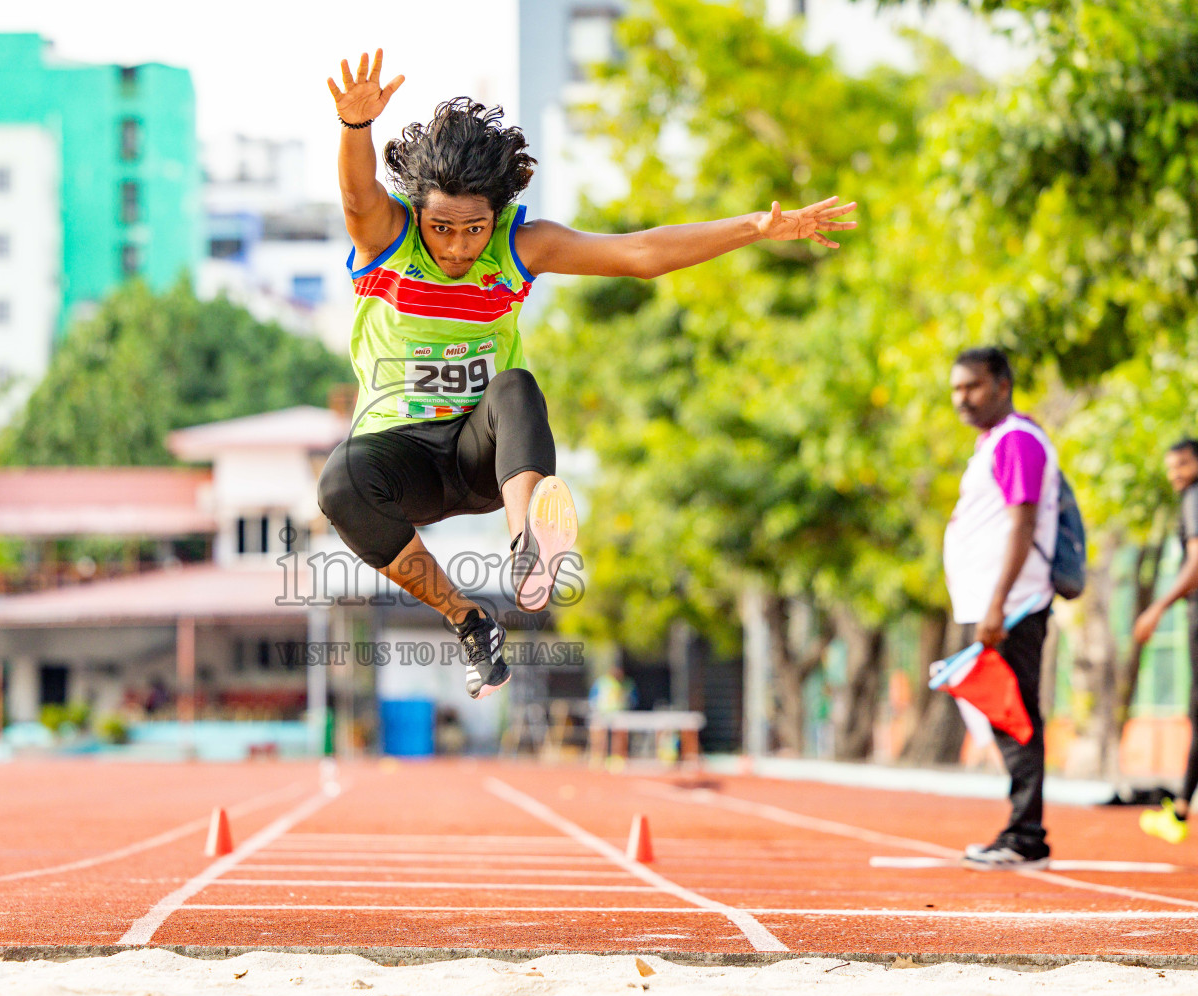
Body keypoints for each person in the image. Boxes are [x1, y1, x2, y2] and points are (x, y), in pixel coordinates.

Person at [317, 50, 858, 700]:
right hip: (401, 456)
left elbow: (640, 255)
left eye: (473, 229)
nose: (459, 248)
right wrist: (356, 131)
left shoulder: (522, 245)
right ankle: (467, 619)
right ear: (418, 214)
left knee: (514, 386)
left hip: (484, 457)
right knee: (339, 482)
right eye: (442, 230)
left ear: (497, 215)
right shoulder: (386, 241)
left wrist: (755, 227)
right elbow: (356, 193)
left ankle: (527, 543)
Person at [943, 347, 1061, 869]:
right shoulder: (994, 443)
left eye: (972, 386)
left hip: (1011, 606)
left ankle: (1026, 837)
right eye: (955, 389)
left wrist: (995, 605)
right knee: (1004, 717)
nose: (961, 399)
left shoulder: (1016, 439)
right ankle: (1021, 831)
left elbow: (1023, 521)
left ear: (1002, 385)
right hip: (997, 604)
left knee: (1015, 719)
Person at [1132, 438, 1198, 844]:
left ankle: (1179, 810)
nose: (1176, 474)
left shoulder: (1194, 496)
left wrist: (1158, 607)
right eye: (1171, 467)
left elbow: (1197, 564)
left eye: (1184, 464)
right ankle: (1181, 807)